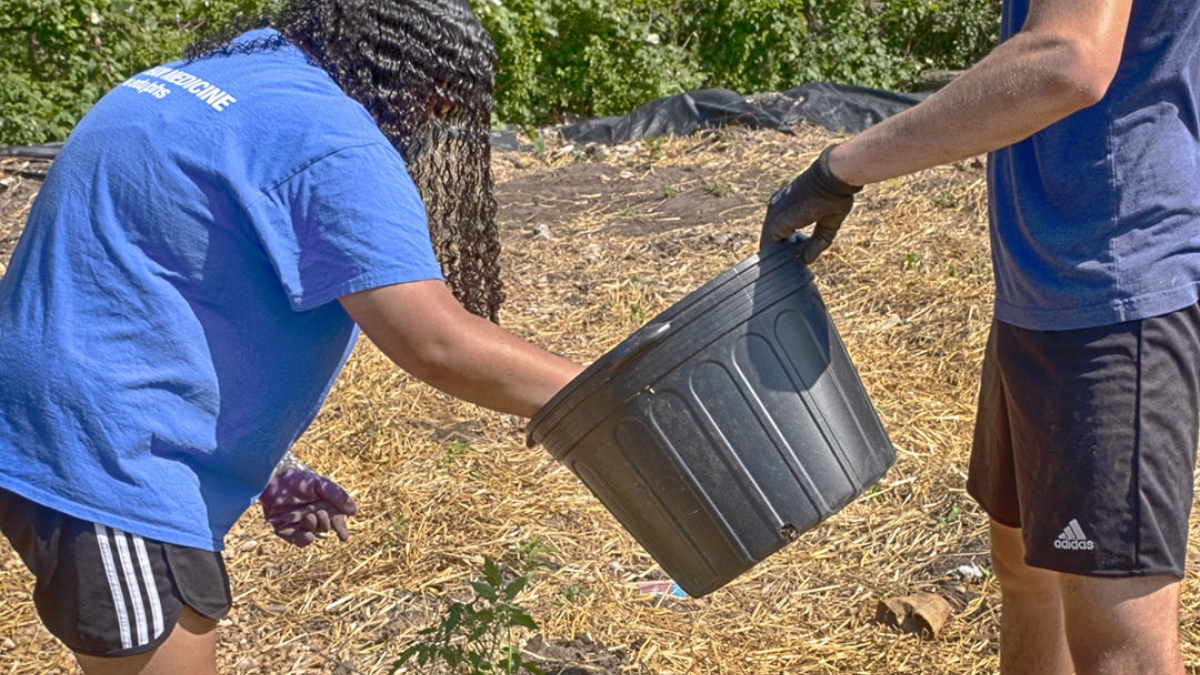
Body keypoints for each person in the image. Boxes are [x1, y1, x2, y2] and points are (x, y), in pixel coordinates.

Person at [0, 1, 583, 673]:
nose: (433, 121)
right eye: (441, 103)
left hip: (44, 417)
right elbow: (438, 342)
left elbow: (153, 283)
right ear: (422, 86)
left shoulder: (220, 79)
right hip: (107, 457)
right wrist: (623, 387)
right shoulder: (333, 140)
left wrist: (255, 466)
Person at [761, 1, 1197, 673]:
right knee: (1029, 577)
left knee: (1120, 651)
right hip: (1041, 285)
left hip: (1110, 291)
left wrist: (840, 167)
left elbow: (1066, 60)